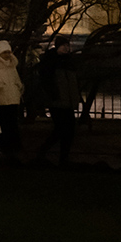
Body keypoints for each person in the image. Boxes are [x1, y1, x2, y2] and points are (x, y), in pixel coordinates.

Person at [36, 38, 81, 166]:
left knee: (68, 129)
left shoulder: (68, 62)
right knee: (61, 129)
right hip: (57, 101)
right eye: (63, 46)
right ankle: (47, 151)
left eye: (67, 45)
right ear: (57, 47)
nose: (66, 48)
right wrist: (54, 95)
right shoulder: (51, 61)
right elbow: (46, 81)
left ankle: (62, 156)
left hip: (66, 101)